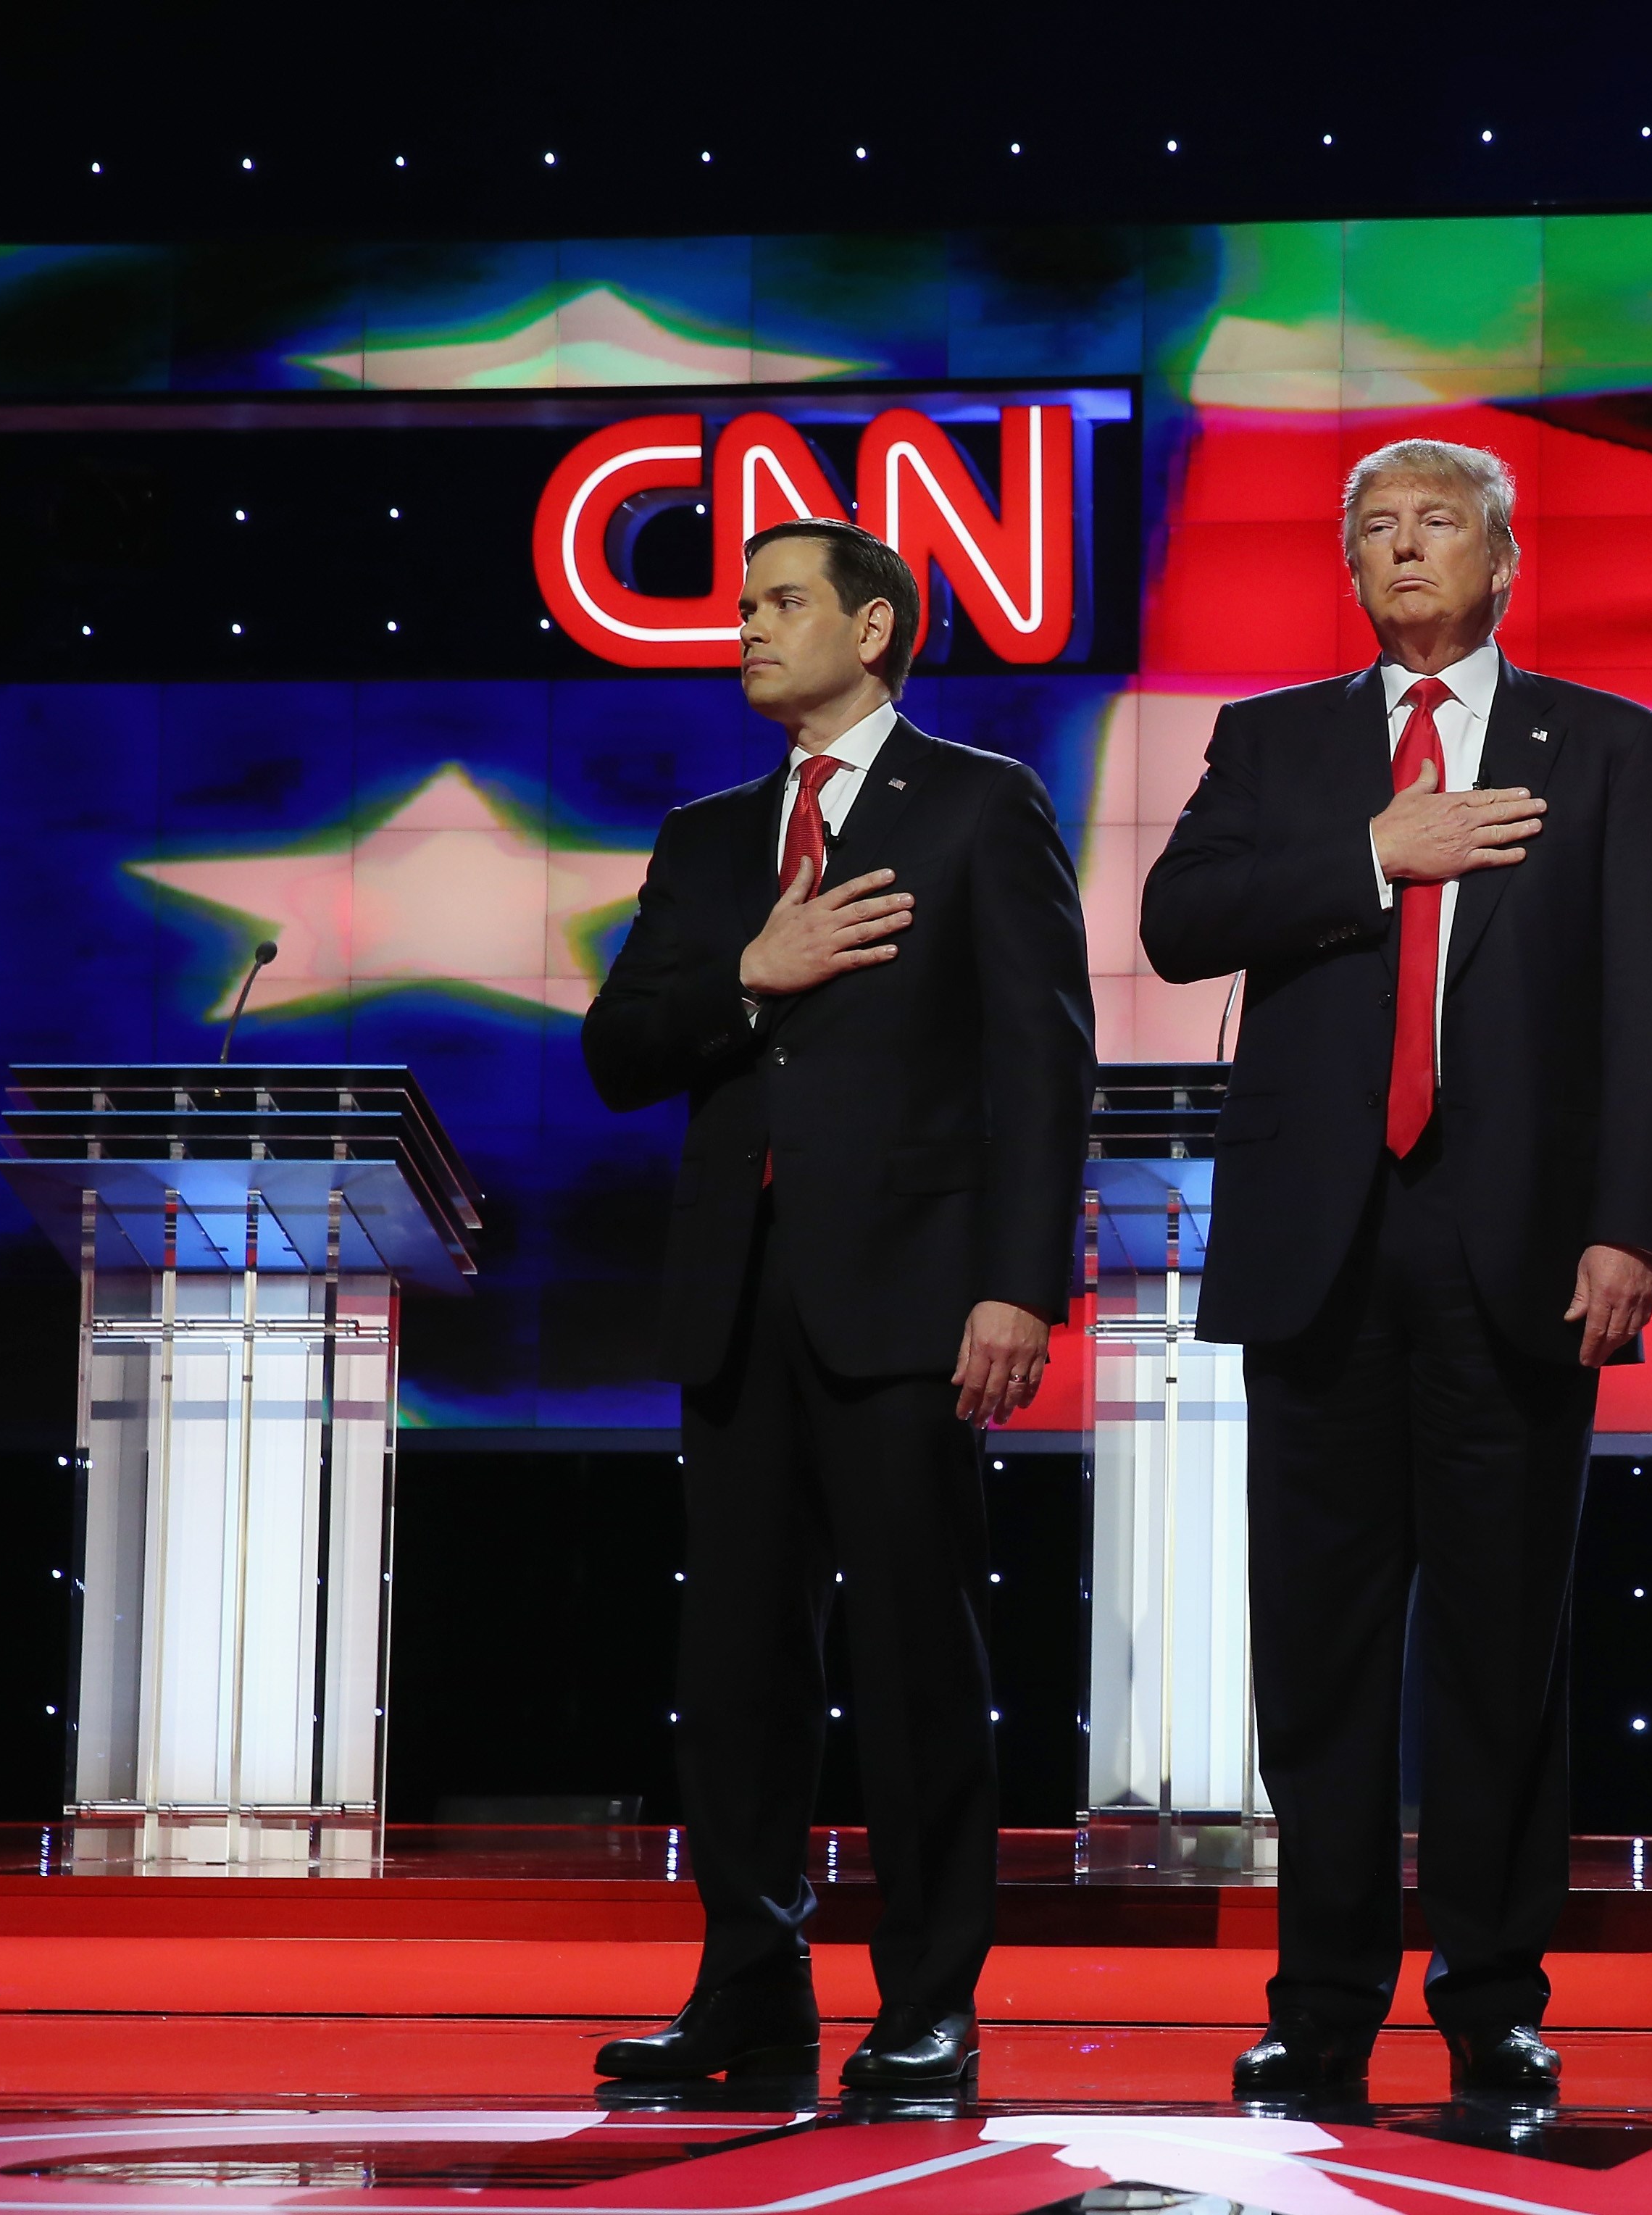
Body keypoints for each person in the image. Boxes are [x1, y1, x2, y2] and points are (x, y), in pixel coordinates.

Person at [1142, 438, 1652, 2101]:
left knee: (1499, 1638)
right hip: (1320, 1243)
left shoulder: (1601, 744)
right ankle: (1318, 1996)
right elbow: (1179, 922)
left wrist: (1630, 1225)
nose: (1401, 547)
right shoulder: (1277, 737)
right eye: (1371, 528)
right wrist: (1377, 851)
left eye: (1435, 521)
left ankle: (1492, 1993)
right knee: (1314, 1645)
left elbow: (1648, 1008)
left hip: (1518, 1250)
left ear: (1505, 557)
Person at [580, 517, 1095, 2094]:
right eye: (743, 604)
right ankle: (750, 1983)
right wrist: (754, 969)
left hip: (916, 1303)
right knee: (735, 1667)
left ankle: (928, 1996)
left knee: (916, 1659)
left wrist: (1019, 1283)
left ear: (874, 629)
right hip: (736, 1302)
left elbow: (1042, 1060)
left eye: (781, 601)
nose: (745, 625)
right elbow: (621, 1051)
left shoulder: (980, 805)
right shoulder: (708, 835)